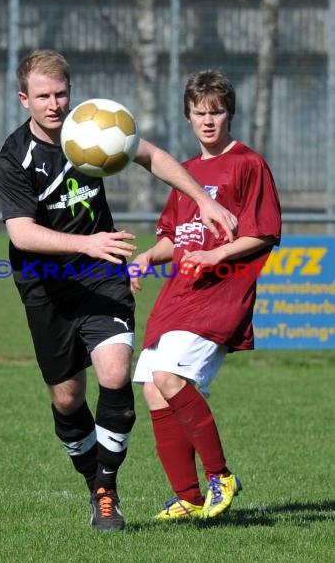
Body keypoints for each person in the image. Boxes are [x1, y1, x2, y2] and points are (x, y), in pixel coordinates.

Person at [0, 50, 237, 533]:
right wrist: (86, 242)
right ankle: (93, 481)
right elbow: (21, 234)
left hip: (103, 272)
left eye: (61, 92)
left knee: (116, 368)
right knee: (66, 399)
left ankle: (107, 491)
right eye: (43, 96)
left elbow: (153, 156)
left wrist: (199, 200)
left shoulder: (92, 128)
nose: (55, 104)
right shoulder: (13, 158)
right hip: (45, 284)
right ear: (25, 99)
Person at [131, 69, 281, 521]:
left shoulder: (248, 164)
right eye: (200, 113)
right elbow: (174, 238)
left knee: (172, 379)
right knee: (153, 389)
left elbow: (264, 233)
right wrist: (143, 259)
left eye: (216, 112)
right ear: (188, 118)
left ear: (230, 114)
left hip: (221, 291)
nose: (208, 121)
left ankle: (221, 475)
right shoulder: (187, 174)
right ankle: (189, 497)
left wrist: (217, 257)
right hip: (180, 291)